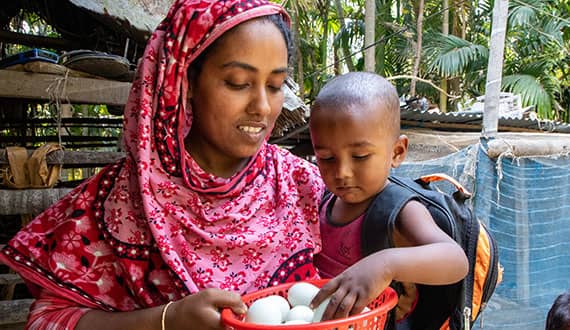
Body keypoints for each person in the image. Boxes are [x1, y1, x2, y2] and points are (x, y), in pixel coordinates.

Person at [0, 1, 325, 329]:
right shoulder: (119, 204)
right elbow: (49, 321)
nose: (262, 106)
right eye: (238, 82)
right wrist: (167, 320)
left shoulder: (303, 186)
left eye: (275, 85)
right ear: (185, 81)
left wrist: (380, 265)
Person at [308, 72, 469, 328]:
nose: (342, 172)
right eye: (326, 158)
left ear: (397, 152)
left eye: (360, 156)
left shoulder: (400, 210)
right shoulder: (323, 201)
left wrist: (385, 264)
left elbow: (455, 260)